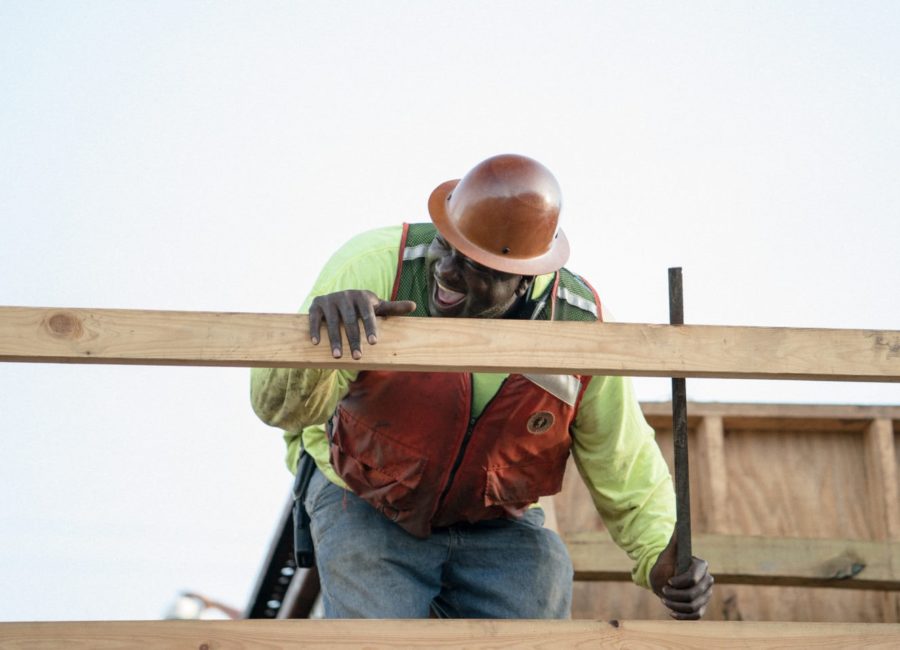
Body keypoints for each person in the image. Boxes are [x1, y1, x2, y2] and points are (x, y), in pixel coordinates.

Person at [251, 153, 713, 619]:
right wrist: (317, 348)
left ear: (525, 279)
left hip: (494, 524)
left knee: (542, 590)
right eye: (448, 246)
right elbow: (276, 410)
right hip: (362, 498)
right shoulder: (374, 269)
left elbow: (621, 457)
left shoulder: (576, 325)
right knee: (377, 637)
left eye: (476, 266)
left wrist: (658, 554)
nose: (447, 270)